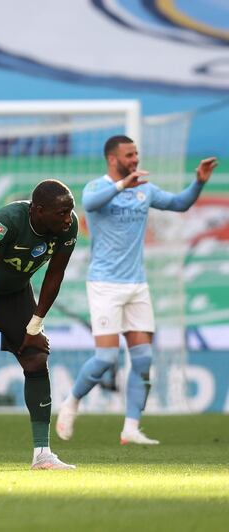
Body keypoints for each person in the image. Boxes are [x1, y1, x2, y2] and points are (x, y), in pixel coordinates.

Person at [56, 136, 218, 445]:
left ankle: (131, 428)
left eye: (136, 154)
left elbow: (180, 203)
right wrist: (121, 186)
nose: (135, 159)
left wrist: (198, 182)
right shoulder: (97, 188)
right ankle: (71, 402)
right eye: (129, 155)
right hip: (104, 284)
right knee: (105, 358)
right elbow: (89, 205)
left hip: (137, 285)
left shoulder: (144, 190)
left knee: (143, 360)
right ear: (112, 159)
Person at [0, 179, 79, 471]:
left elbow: (53, 277)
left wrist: (34, 327)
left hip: (15, 291)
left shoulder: (67, 228)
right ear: (38, 210)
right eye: (61, 212)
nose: (68, 218)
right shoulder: (8, 221)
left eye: (70, 211)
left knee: (36, 358)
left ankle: (43, 454)